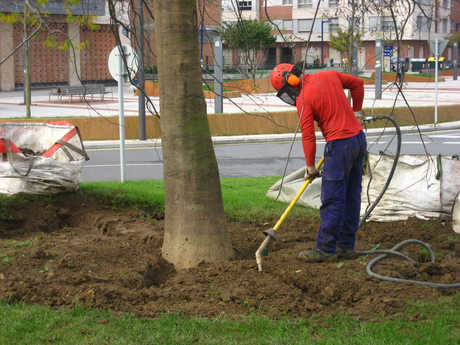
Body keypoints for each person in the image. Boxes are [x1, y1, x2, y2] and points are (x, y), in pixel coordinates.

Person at [270, 63, 367, 262]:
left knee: (333, 198)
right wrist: (356, 112)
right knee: (352, 196)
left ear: (291, 82)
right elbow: (358, 84)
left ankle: (326, 249)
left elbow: (308, 135)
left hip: (339, 147)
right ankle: (346, 247)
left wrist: (310, 166)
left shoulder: (303, 100)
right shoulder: (330, 75)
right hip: (358, 140)